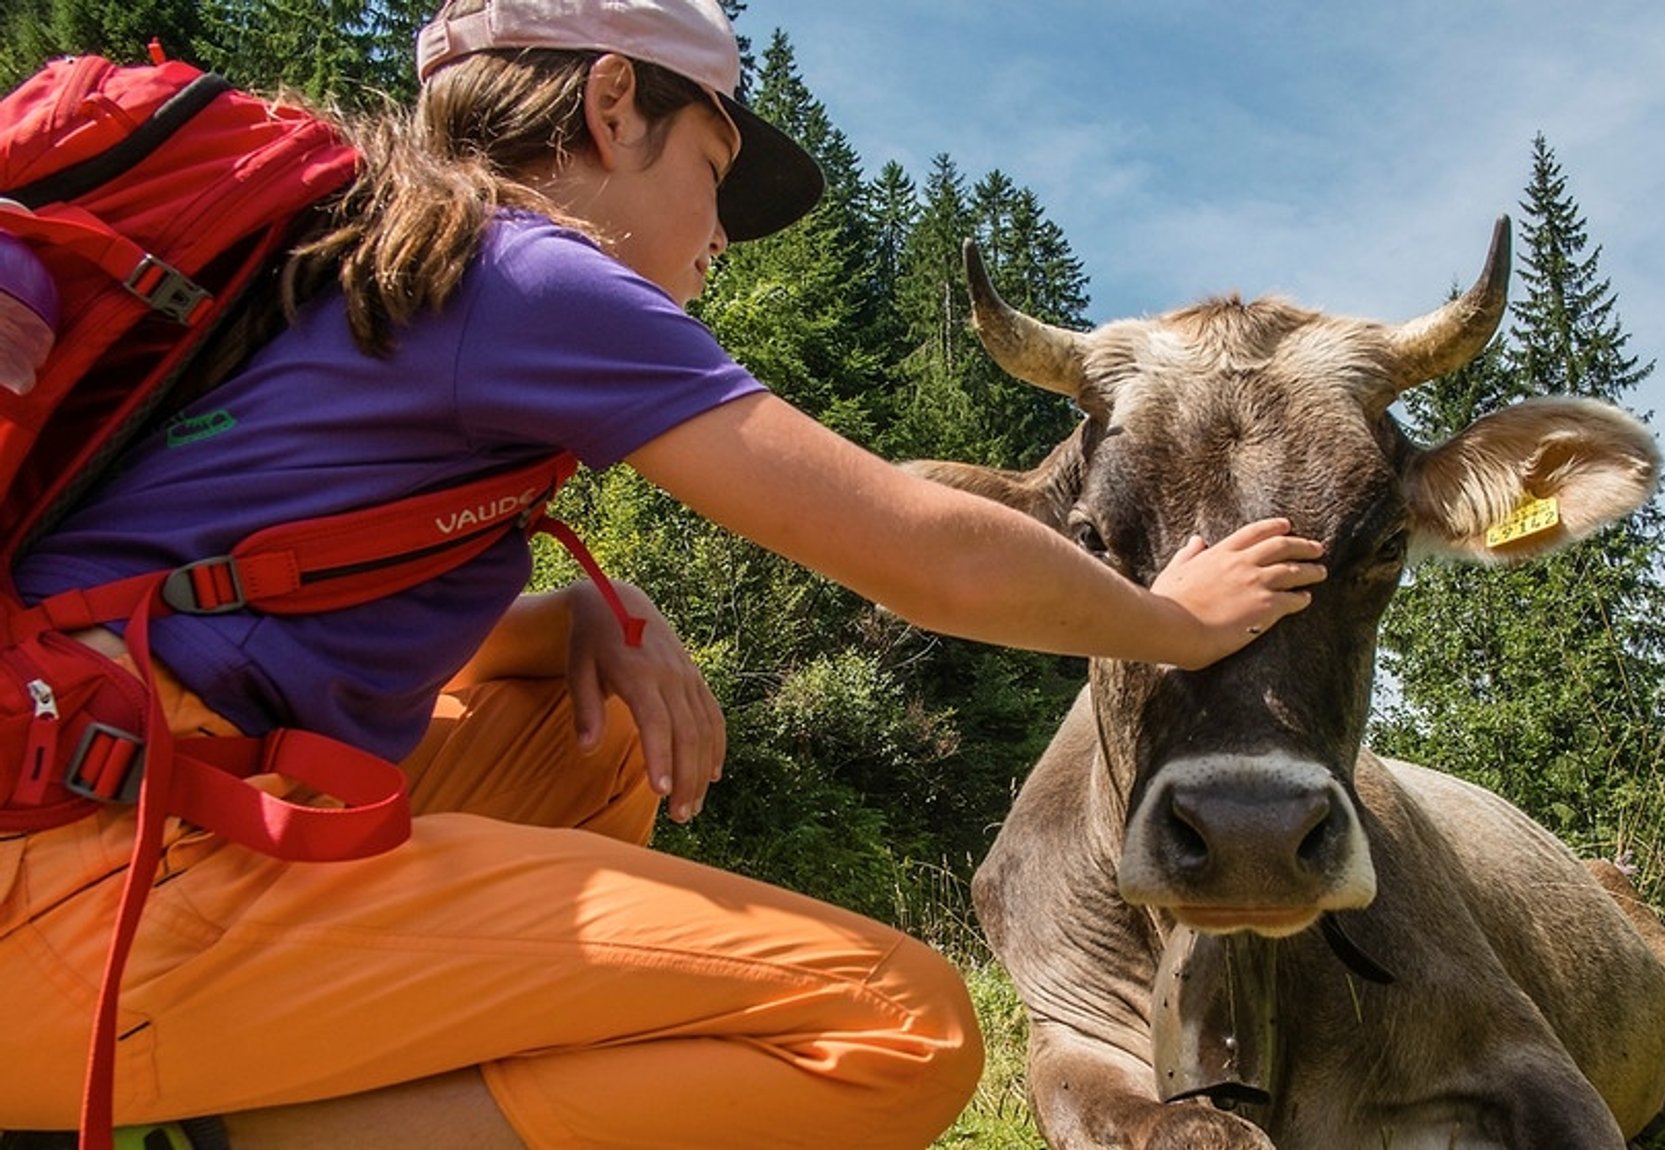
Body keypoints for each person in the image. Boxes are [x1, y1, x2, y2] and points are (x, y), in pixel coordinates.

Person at [0, 0, 1326, 1146]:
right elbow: (922, 554)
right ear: (614, 105)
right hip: (91, 893)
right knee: (895, 1031)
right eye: (715, 165)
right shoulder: (523, 277)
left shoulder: (367, 254)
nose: (722, 235)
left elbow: (238, 615)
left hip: (92, 786)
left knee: (594, 746)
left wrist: (585, 607)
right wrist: (1170, 618)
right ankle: (264, 1115)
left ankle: (320, 1061)